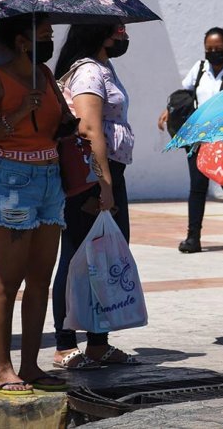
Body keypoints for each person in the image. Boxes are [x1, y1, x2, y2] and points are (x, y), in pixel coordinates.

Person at [0, 14, 68, 394]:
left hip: (50, 180)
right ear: (20, 41)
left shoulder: (44, 75)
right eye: (44, 33)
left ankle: (30, 365)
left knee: (40, 279)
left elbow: (60, 122)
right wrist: (16, 114)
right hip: (14, 180)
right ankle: (3, 368)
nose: (50, 38)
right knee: (9, 280)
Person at [51, 24, 139, 368]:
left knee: (103, 259)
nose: (124, 37)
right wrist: (103, 185)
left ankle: (98, 344)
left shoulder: (102, 66)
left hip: (109, 172)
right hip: (92, 175)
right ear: (101, 33)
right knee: (76, 258)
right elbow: (89, 129)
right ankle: (64, 345)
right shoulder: (88, 71)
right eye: (119, 30)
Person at [158, 27, 223, 253]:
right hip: (198, 138)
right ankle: (193, 237)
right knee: (197, 188)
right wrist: (169, 111)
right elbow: (184, 93)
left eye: (218, 49)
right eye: (209, 49)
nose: (213, 52)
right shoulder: (199, 69)